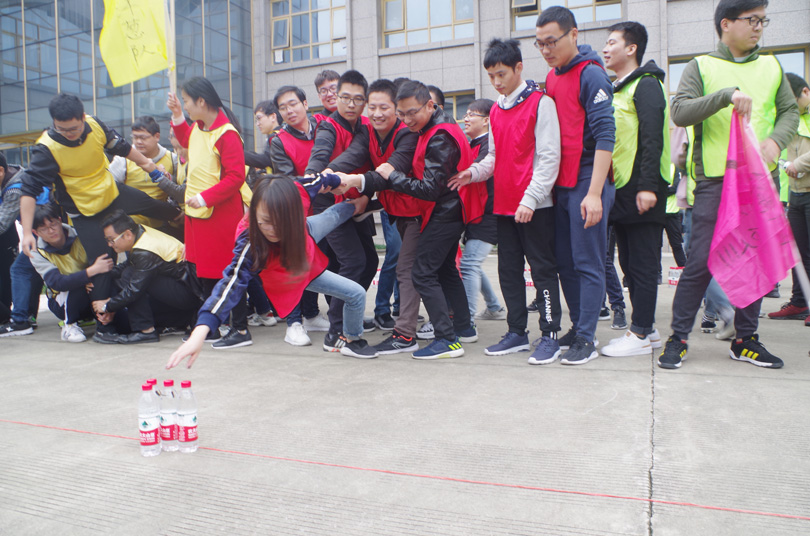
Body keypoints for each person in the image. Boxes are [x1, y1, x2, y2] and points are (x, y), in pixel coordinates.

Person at [659, 0, 799, 370]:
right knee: (701, 261)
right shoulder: (701, 66)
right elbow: (680, 111)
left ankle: (745, 339)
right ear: (726, 23)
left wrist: (776, 142)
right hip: (715, 181)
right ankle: (678, 337)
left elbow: (789, 111)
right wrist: (725, 96)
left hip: (759, 181)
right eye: (752, 19)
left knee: (755, 261)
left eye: (763, 20)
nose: (759, 27)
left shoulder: (771, 66)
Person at [17, 93, 181, 342]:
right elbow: (28, 190)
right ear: (54, 124)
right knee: (103, 262)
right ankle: (105, 327)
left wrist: (149, 166)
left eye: (73, 128)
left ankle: (182, 217)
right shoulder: (46, 149)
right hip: (84, 210)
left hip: (110, 192)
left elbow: (123, 148)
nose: (68, 134)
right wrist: (28, 232)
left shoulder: (95, 125)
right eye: (62, 129)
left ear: (83, 118)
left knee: (150, 204)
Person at [166, 176, 378, 368]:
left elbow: (320, 179)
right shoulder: (251, 242)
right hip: (293, 269)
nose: (273, 230)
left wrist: (339, 183)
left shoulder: (296, 191)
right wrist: (200, 331)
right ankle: (352, 340)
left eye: (281, 222)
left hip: (303, 233)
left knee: (335, 214)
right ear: (255, 212)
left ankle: (360, 205)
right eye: (266, 221)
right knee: (356, 293)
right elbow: (230, 285)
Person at [450, 38, 563, 364]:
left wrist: (531, 199)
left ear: (518, 68)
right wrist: (472, 173)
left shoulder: (541, 103)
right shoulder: (497, 109)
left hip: (535, 206)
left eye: (502, 74)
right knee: (509, 271)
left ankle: (550, 335)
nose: (497, 82)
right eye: (491, 76)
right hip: (503, 206)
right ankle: (516, 332)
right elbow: (494, 157)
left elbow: (549, 157)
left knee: (542, 270)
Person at [375, 80, 484, 359]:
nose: (407, 119)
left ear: (429, 105)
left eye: (412, 112)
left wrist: (393, 176)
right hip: (450, 210)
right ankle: (463, 328)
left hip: (445, 212)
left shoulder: (439, 136)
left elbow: (429, 188)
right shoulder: (435, 127)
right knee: (446, 270)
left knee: (422, 272)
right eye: (401, 114)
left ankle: (447, 339)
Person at [536, 7, 616, 365]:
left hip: (588, 179)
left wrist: (595, 194)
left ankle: (586, 337)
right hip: (562, 183)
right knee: (566, 262)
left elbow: (605, 136)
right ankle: (580, 327)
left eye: (551, 42)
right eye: (540, 44)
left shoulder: (592, 75)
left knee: (588, 262)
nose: (546, 50)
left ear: (573, 35)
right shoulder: (552, 77)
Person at [329, 79, 421, 355]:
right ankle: (455, 324)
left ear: (397, 109)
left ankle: (410, 334)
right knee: (382, 264)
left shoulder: (407, 134)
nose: (377, 113)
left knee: (404, 268)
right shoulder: (365, 131)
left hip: (418, 210)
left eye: (384, 107)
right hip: (388, 209)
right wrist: (329, 173)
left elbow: (390, 172)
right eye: (372, 107)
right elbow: (353, 154)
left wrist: (354, 182)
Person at [599, 21, 670, 358]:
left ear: (632, 48)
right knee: (628, 261)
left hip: (642, 187)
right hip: (624, 188)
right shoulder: (619, 88)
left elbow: (652, 138)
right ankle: (647, 328)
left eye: (612, 42)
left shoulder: (647, 84)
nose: (606, 48)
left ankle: (639, 332)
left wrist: (648, 187)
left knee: (642, 263)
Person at [167, 76, 253, 349]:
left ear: (201, 101)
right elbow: (186, 140)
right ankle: (213, 327)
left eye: (187, 102)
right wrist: (177, 115)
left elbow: (236, 177)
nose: (186, 106)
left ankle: (240, 329)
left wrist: (205, 198)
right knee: (204, 271)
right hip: (199, 214)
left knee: (228, 272)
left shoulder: (227, 134)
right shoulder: (199, 127)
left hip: (220, 214)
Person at [305, 70, 379, 353]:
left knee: (370, 262)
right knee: (353, 261)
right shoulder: (328, 127)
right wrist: (316, 175)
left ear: (365, 102)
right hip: (330, 206)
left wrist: (365, 196)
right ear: (336, 98)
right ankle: (336, 330)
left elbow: (363, 156)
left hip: (358, 203)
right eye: (345, 97)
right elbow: (320, 154)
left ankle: (351, 314)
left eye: (357, 99)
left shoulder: (365, 126)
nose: (350, 104)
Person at [268, 85, 331, 346]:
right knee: (295, 267)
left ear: (305, 104)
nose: (289, 111)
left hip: (328, 207)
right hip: (297, 211)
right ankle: (293, 323)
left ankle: (312, 315)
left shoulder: (325, 127)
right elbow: (287, 179)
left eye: (293, 104)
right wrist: (319, 182)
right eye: (283, 108)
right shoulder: (279, 141)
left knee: (321, 263)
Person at [96, 210, 205, 344]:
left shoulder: (144, 251)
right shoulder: (140, 233)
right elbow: (127, 264)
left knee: (130, 275)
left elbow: (134, 289)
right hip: (185, 289)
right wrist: (95, 274)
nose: (109, 244)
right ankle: (177, 321)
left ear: (128, 234)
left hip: (189, 294)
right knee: (131, 274)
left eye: (111, 240)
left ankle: (145, 331)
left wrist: (106, 306)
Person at [28, 203, 114, 343]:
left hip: (92, 290)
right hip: (62, 301)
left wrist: (89, 277)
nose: (51, 231)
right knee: (71, 286)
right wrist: (90, 272)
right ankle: (70, 325)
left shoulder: (80, 235)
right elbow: (58, 283)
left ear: (60, 221)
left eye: (53, 224)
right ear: (36, 232)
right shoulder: (37, 253)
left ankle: (106, 320)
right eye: (44, 228)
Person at [458, 98, 505, 323]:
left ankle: (467, 322)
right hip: (476, 215)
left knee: (469, 264)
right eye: (465, 114)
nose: (466, 119)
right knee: (472, 262)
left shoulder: (489, 146)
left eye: (471, 115)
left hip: (488, 215)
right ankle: (494, 307)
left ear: (486, 120)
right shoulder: (473, 144)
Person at [768, 73, 810, 323]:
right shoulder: (789, 118)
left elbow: (796, 160)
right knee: (799, 253)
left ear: (805, 92)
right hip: (795, 194)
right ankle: (800, 302)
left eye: (793, 102)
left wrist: (799, 164)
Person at [109, 116, 180, 234]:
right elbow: (110, 187)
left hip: (161, 225)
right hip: (131, 228)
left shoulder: (172, 159)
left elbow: (180, 189)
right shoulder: (123, 159)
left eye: (143, 138)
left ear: (157, 137)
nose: (138, 142)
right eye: (135, 137)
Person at [244, 100, 283, 177]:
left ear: (273, 117)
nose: (257, 124)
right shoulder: (281, 134)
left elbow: (266, 160)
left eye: (259, 118)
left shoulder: (276, 136)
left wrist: (238, 154)